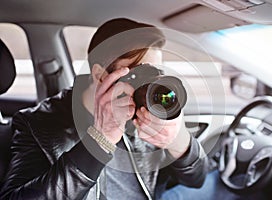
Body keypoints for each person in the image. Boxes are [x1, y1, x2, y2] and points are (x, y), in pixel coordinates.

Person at [0, 18, 208, 200]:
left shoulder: (146, 113)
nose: (150, 85)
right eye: (140, 74)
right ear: (100, 74)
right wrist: (99, 141)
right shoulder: (36, 124)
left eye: (155, 73)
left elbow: (197, 180)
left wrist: (179, 143)